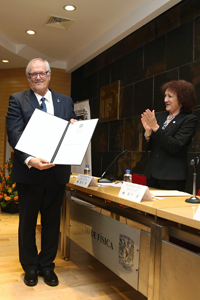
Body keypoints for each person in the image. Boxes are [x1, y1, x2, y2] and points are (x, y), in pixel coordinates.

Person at [6, 58, 77, 287]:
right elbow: (14, 133)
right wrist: (29, 159)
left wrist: (75, 129)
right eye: (33, 74)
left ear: (49, 75)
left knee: (52, 223)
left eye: (42, 73)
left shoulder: (65, 101)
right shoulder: (17, 100)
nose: (38, 77)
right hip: (30, 173)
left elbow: (69, 132)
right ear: (28, 78)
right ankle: (30, 266)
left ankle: (47, 265)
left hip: (56, 174)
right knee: (27, 223)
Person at [141, 80, 198, 191]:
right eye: (165, 96)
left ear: (182, 99)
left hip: (172, 177)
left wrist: (156, 128)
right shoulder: (158, 117)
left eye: (170, 96)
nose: (165, 100)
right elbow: (146, 148)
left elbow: (175, 146)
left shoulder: (189, 120)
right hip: (152, 175)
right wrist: (148, 133)